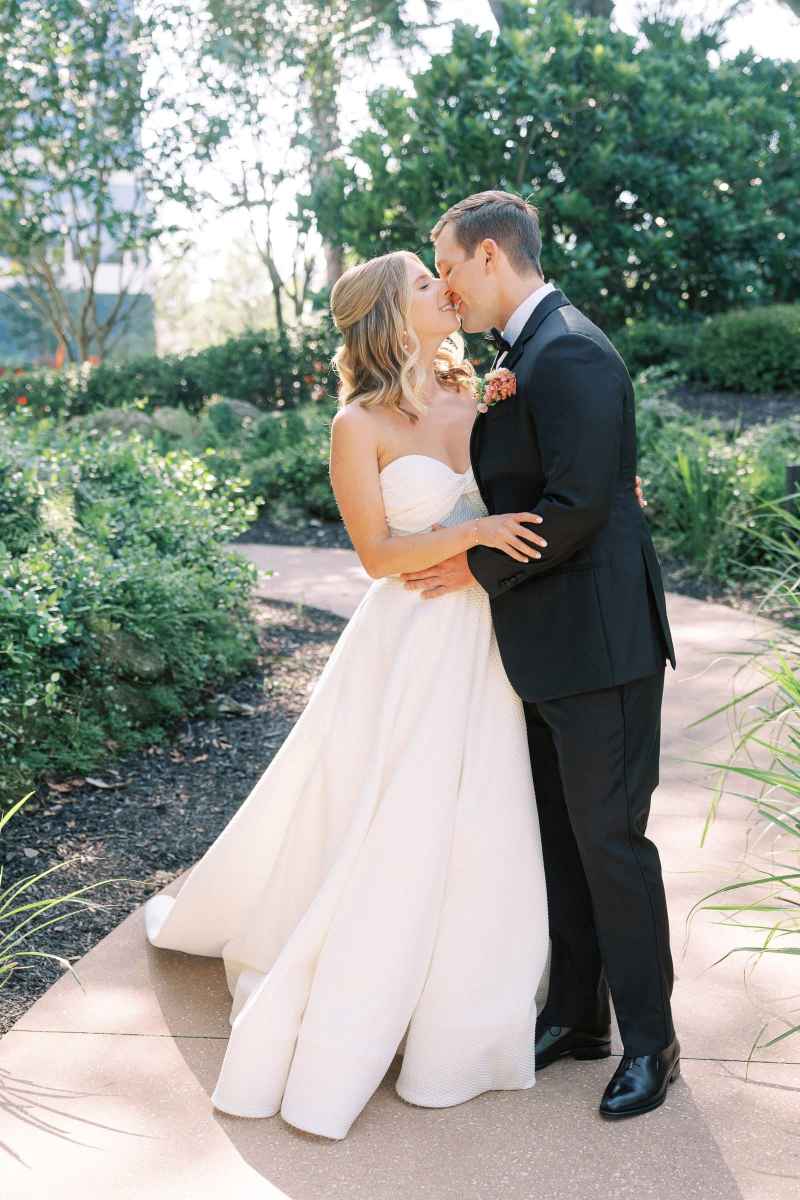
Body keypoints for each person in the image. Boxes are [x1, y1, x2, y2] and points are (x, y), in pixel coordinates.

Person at [401, 189, 679, 1119]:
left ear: (488, 256)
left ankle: (652, 1041)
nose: (445, 286)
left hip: (603, 648)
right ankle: (577, 1017)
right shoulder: (524, 354)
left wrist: (469, 564)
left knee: (612, 844)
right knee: (563, 839)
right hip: (550, 647)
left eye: (447, 266)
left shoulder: (571, 351)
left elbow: (580, 506)